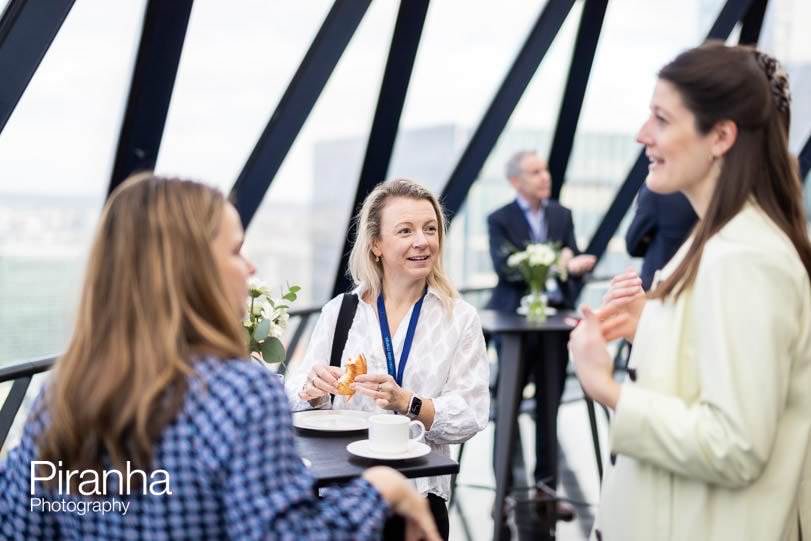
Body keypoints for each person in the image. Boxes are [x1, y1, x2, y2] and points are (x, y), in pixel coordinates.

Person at [0, 174, 440, 541]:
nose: (249, 269)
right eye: (234, 250)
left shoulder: (62, 395)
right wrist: (382, 489)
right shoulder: (239, 395)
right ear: (190, 270)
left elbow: (18, 525)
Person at [569, 42, 811, 540]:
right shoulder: (724, 241)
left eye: (660, 118)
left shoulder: (745, 256)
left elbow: (736, 445)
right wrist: (655, 325)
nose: (642, 135)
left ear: (720, 136)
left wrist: (604, 386)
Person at [285, 178, 490, 541]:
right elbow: (295, 392)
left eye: (430, 229)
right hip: (344, 494)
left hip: (419, 495)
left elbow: (472, 412)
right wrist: (313, 389)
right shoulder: (341, 311)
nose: (422, 241)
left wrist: (407, 402)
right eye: (405, 231)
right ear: (376, 244)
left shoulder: (459, 318)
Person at [485, 150, 596, 519]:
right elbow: (506, 269)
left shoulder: (561, 215)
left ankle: (546, 488)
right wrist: (556, 263)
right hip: (514, 324)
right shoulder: (499, 219)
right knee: (507, 406)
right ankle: (504, 491)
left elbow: (572, 258)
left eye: (545, 169)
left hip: (553, 325)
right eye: (534, 172)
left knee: (550, 405)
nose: (544, 177)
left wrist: (576, 265)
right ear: (516, 181)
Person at [625, 185, 697, 290]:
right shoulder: (706, 191)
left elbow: (632, 246)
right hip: (691, 281)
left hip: (657, 285)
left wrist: (649, 238)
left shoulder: (657, 190)